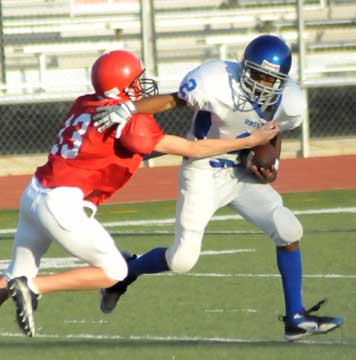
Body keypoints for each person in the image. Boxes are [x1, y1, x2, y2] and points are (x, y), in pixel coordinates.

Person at [0, 50, 278, 338]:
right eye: (136, 81)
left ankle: (21, 282)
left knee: (10, 275)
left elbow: (120, 134)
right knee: (114, 272)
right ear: (123, 86)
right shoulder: (132, 124)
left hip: (34, 193)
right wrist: (250, 140)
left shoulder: (84, 103)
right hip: (61, 202)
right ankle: (34, 287)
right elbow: (193, 149)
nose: (141, 86)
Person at [93, 35, 344, 341]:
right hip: (203, 170)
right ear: (244, 68)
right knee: (182, 260)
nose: (263, 84)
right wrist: (130, 109)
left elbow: (273, 131)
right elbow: (173, 100)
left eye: (270, 78)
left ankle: (295, 318)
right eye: (257, 74)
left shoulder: (290, 101)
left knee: (289, 230)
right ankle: (125, 272)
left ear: (283, 80)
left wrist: (270, 162)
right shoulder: (216, 79)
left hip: (240, 172)